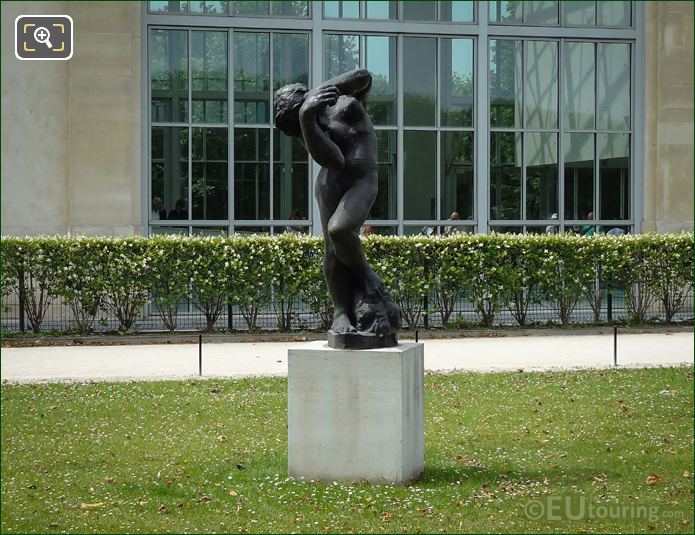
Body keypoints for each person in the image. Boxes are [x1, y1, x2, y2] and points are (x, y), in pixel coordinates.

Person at [274, 69, 400, 342]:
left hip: (361, 179)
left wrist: (314, 98)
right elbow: (333, 160)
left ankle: (370, 282)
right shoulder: (306, 124)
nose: (301, 134)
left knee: (340, 229)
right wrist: (306, 119)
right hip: (330, 182)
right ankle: (342, 312)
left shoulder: (344, 104)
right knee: (332, 249)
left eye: (302, 120)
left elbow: (364, 76)